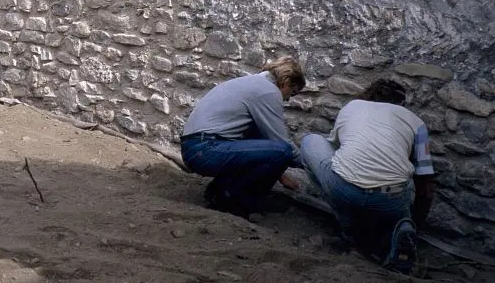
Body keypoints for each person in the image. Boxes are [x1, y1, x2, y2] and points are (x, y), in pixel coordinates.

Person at [299, 79, 436, 275]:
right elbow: (425, 183)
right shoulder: (417, 122)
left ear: (368, 95)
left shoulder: (352, 106)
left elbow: (336, 147)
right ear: (401, 104)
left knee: (311, 141)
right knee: (403, 183)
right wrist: (415, 222)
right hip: (392, 199)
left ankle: (350, 229)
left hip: (345, 189)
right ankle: (400, 228)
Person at [179, 56, 306, 219]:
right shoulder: (268, 92)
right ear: (286, 82)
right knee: (283, 151)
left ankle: (219, 192)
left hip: (196, 148)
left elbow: (259, 141)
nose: (288, 99)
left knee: (262, 138)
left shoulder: (252, 83)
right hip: (205, 150)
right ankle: (237, 203)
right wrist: (312, 165)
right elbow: (280, 142)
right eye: (292, 93)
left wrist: (280, 175)